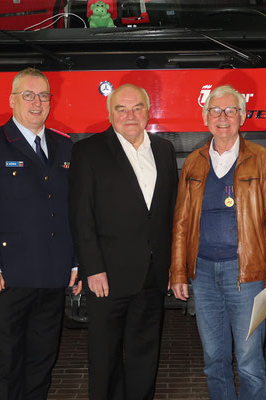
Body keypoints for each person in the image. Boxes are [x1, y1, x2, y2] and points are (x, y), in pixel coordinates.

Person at [0, 68, 81, 399]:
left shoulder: (63, 145)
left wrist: (74, 261)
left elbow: (71, 210)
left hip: (53, 273)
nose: (37, 102)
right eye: (28, 95)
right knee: (7, 359)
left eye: (44, 95)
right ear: (12, 100)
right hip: (9, 275)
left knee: (43, 358)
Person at [170, 85, 266, 399]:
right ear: (205, 117)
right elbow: (181, 222)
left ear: (243, 117)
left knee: (249, 361)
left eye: (230, 110)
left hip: (248, 277)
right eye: (215, 111)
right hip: (204, 276)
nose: (223, 117)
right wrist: (178, 272)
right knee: (214, 360)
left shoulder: (262, 160)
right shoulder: (193, 162)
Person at [68, 83, 178, 400]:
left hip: (153, 275)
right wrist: (92, 269)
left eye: (137, 108)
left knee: (145, 356)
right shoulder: (88, 151)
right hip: (108, 277)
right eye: (121, 109)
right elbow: (80, 216)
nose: (130, 115)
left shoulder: (164, 149)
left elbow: (169, 211)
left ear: (148, 110)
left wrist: (172, 264)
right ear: (110, 113)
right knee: (105, 359)